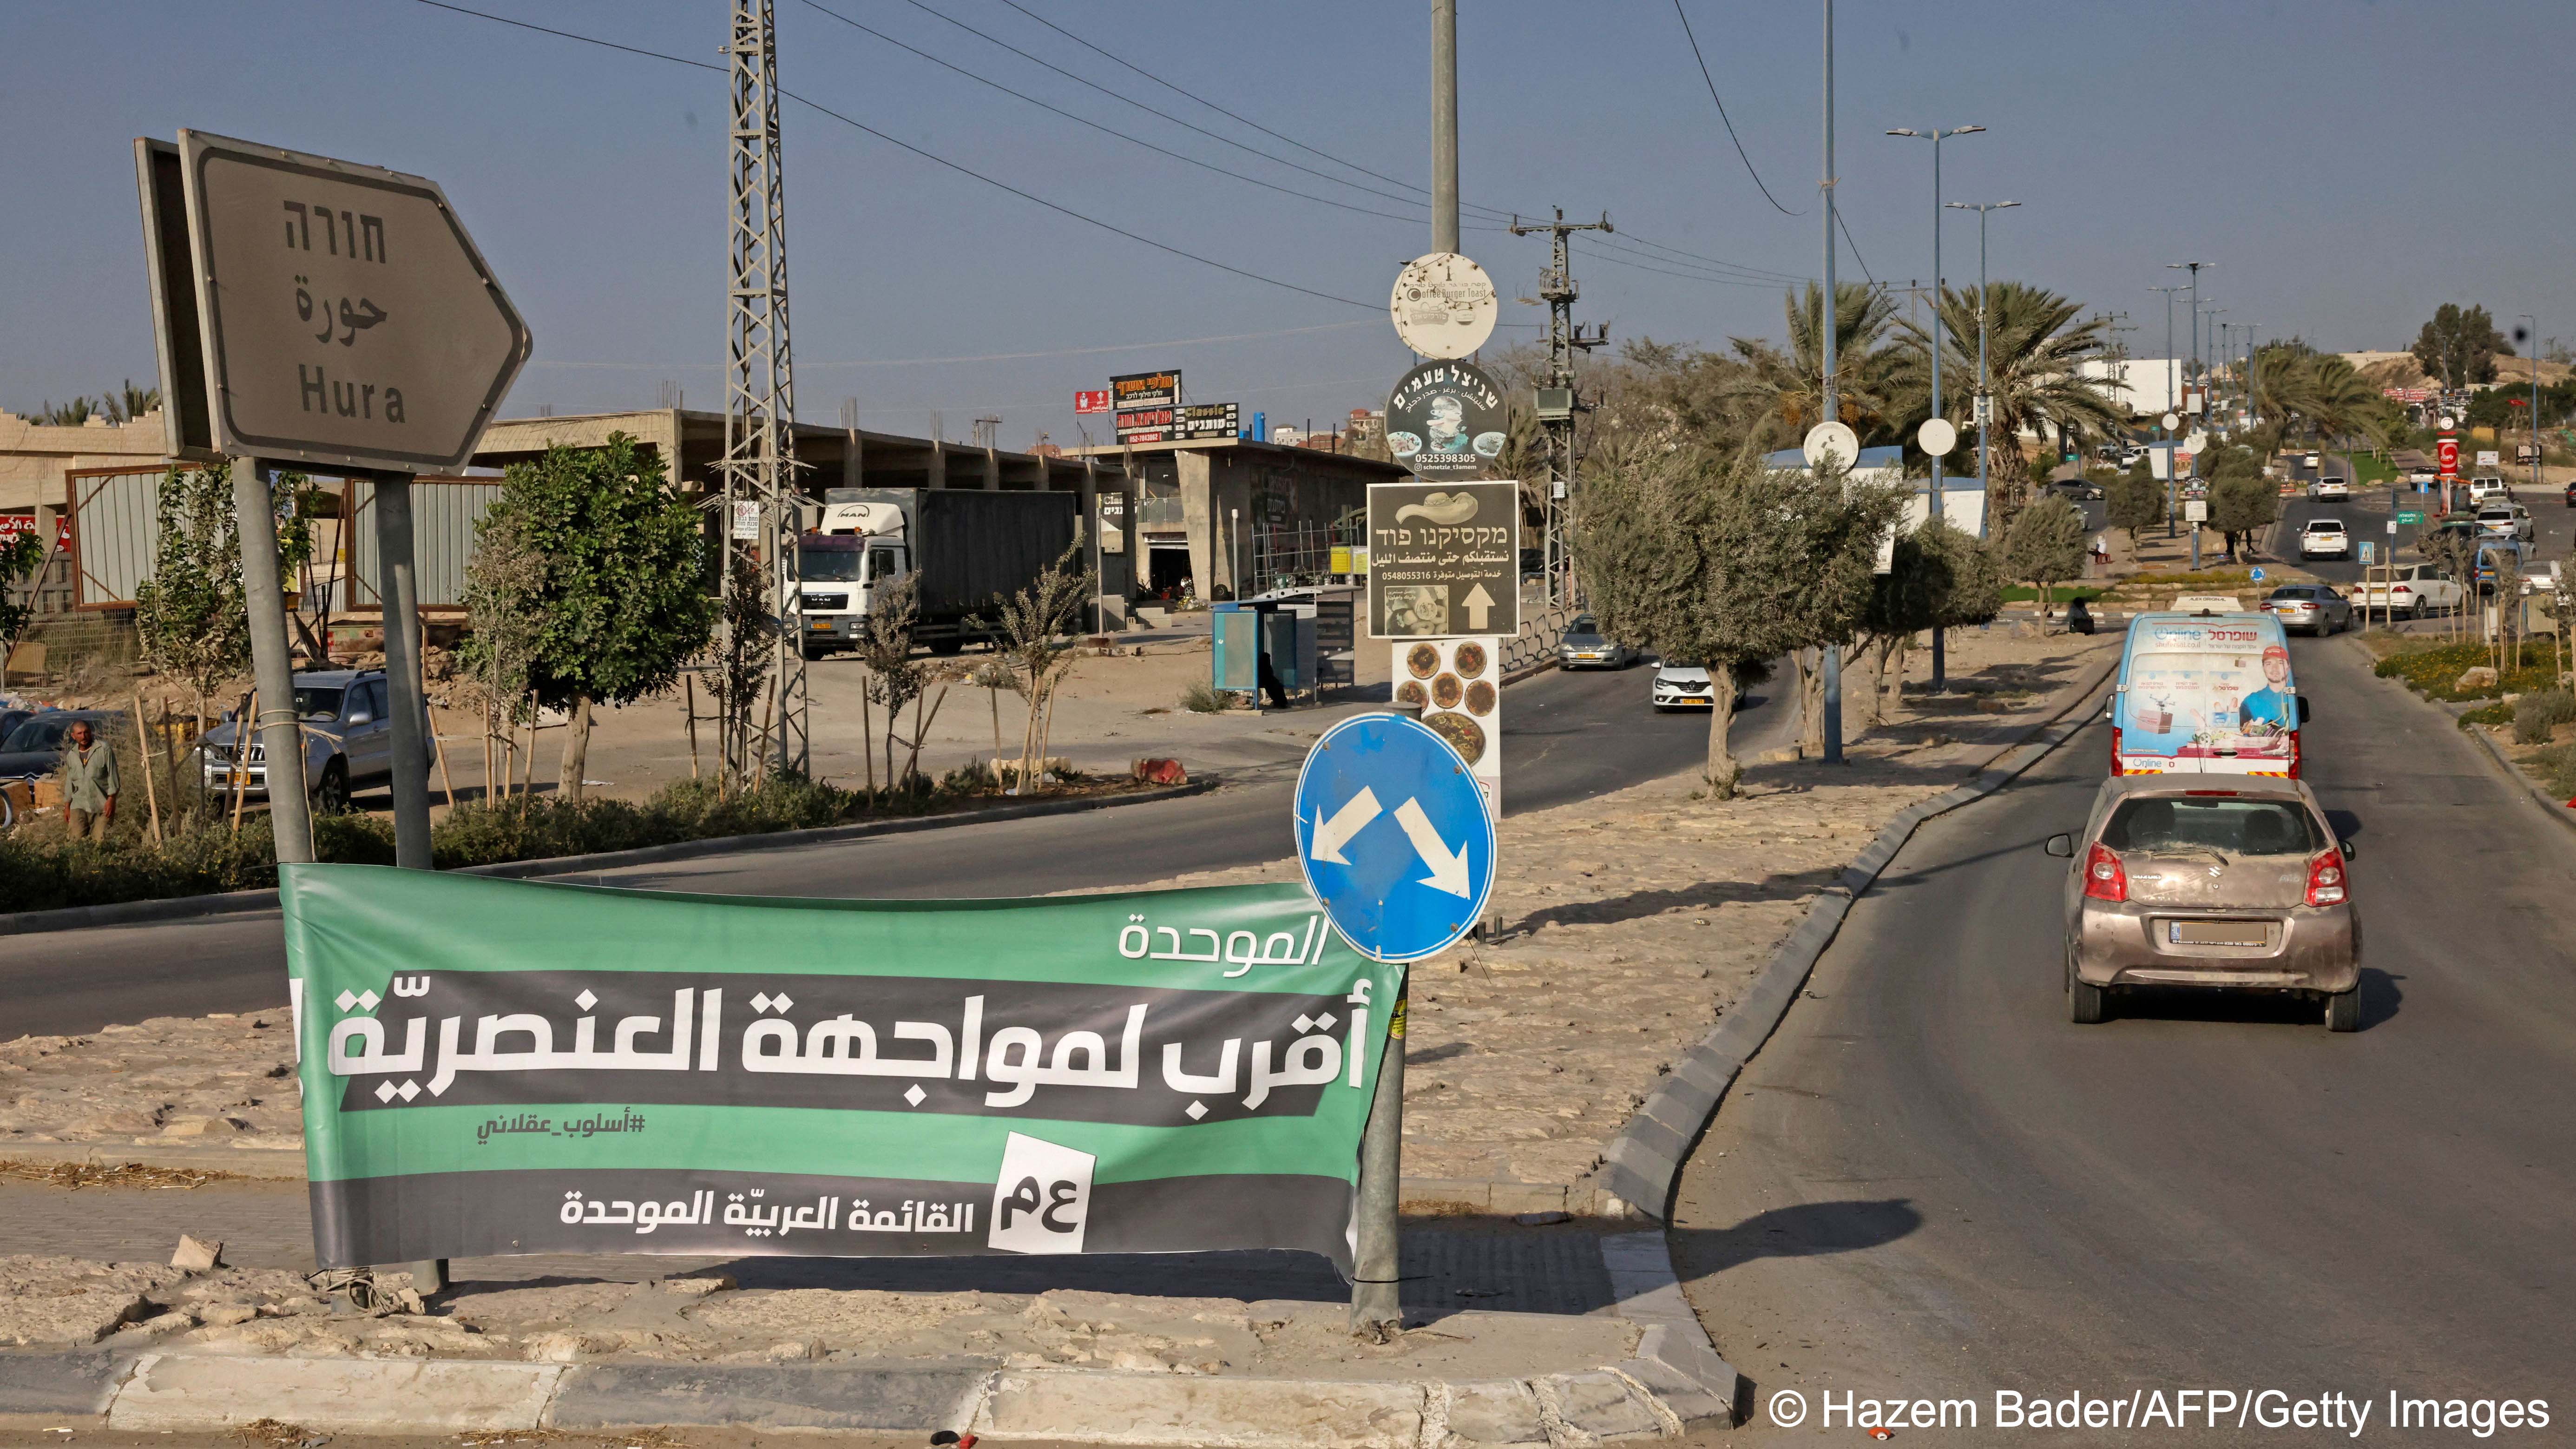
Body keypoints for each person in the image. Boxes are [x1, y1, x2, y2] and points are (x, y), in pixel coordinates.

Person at [61, 718, 118, 842]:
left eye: (86, 732)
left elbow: (113, 776)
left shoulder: (103, 750)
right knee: (75, 841)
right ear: (73, 736)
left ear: (90, 732)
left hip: (101, 804)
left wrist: (111, 799)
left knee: (101, 841)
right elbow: (70, 781)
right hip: (78, 805)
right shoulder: (72, 755)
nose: (84, 736)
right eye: (79, 734)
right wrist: (67, 806)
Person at [2236, 646, 2297, 731]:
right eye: (2269, 664)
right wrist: (2229, 718)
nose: (2275, 668)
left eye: (2280, 663)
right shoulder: (2252, 700)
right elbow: (2237, 729)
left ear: (2288, 667)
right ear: (2263, 668)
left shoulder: (2295, 694)